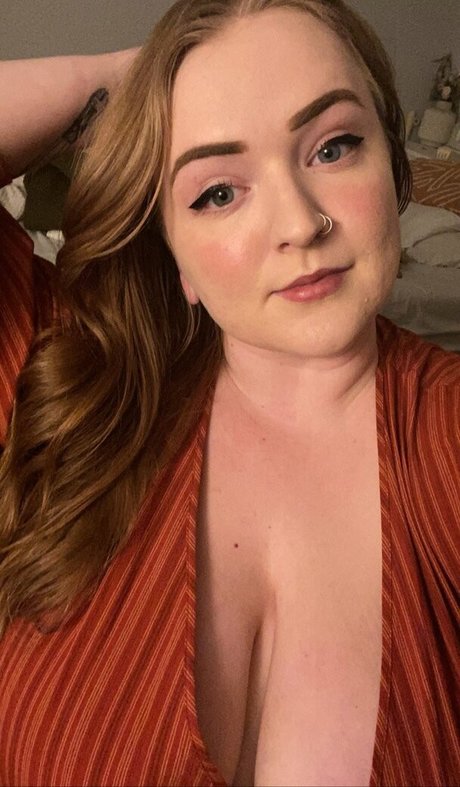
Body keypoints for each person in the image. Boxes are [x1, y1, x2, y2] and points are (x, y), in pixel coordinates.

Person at [0, 1, 458, 785]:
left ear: (396, 171)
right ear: (174, 252)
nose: (298, 223)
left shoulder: (444, 429)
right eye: (217, 191)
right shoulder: (75, 381)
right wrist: (126, 78)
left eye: (334, 147)